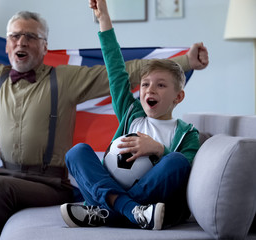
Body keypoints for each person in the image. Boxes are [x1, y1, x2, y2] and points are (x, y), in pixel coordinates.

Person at [0, 0, 209, 239]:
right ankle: (125, 209)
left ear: (44, 46)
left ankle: (113, 209)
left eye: (30, 37)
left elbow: (121, 70)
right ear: (7, 44)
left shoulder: (66, 79)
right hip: (4, 173)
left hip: (48, 182)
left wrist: (184, 62)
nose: (21, 42)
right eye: (15, 36)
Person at [60, 0, 208, 231]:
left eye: (160, 85)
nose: (150, 89)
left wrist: (158, 150)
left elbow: (185, 173)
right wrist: (104, 20)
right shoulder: (132, 113)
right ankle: (131, 211)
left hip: (153, 200)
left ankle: (107, 213)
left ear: (178, 97)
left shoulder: (187, 134)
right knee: (76, 152)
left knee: (176, 161)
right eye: (145, 84)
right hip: (125, 197)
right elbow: (116, 70)